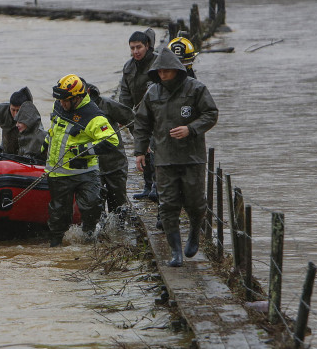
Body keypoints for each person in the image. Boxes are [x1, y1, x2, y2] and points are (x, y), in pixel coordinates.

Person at [133, 48, 218, 267]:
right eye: (159, 71)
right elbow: (142, 124)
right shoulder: (152, 94)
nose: (162, 75)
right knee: (168, 205)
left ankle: (193, 233)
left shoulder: (196, 89)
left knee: (196, 202)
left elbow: (211, 114)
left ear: (177, 70)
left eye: (166, 71)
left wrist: (191, 129)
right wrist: (140, 151)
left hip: (192, 157)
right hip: (165, 158)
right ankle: (176, 252)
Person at [45, 74, 120, 247]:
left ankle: (88, 240)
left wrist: (83, 150)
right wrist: (45, 144)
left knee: (92, 205)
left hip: (85, 171)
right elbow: (55, 131)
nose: (62, 104)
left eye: (65, 100)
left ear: (77, 98)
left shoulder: (93, 115)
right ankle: (55, 246)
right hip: (58, 171)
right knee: (58, 215)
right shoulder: (59, 104)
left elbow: (111, 140)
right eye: (60, 100)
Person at [118, 29, 159, 202]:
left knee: (156, 149)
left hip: (157, 116)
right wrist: (122, 114)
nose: (135, 51)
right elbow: (125, 94)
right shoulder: (128, 67)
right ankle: (148, 185)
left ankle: (158, 186)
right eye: (132, 48)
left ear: (147, 46)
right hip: (138, 118)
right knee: (143, 151)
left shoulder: (157, 63)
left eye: (139, 47)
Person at [86, 83, 135, 212]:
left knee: (118, 206)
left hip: (115, 164)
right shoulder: (73, 111)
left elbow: (132, 120)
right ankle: (100, 230)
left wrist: (142, 145)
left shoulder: (107, 104)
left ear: (88, 91)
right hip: (92, 167)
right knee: (95, 207)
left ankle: (119, 230)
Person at [0, 87, 32, 155]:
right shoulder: (1, 110)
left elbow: (38, 138)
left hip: (23, 155)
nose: (15, 114)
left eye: (18, 110)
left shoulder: (32, 117)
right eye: (13, 110)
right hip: (5, 152)